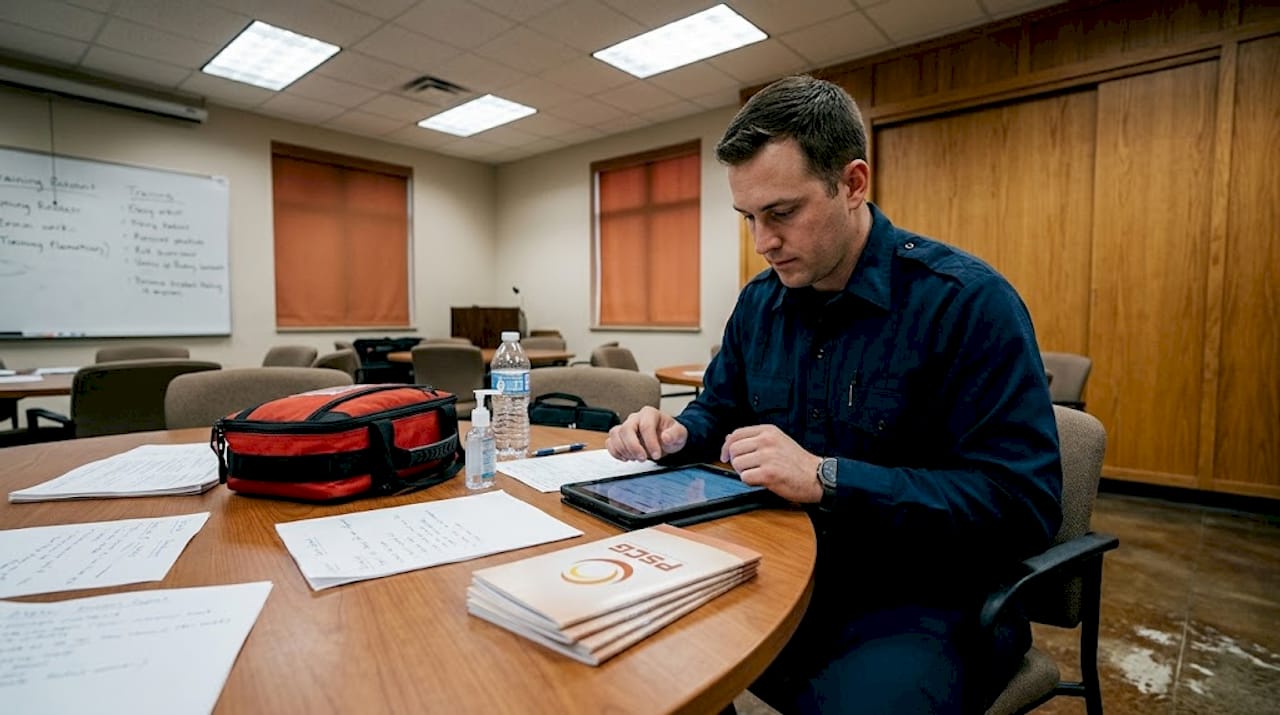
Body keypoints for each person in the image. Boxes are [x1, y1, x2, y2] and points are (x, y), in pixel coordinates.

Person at [605, 75, 1062, 714]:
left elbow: (1022, 504)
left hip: (919, 600)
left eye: (782, 213)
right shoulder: (761, 302)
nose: (763, 243)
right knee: (635, 663)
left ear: (852, 184)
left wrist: (828, 478)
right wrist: (681, 433)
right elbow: (720, 409)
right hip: (776, 567)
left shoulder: (965, 303)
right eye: (749, 219)